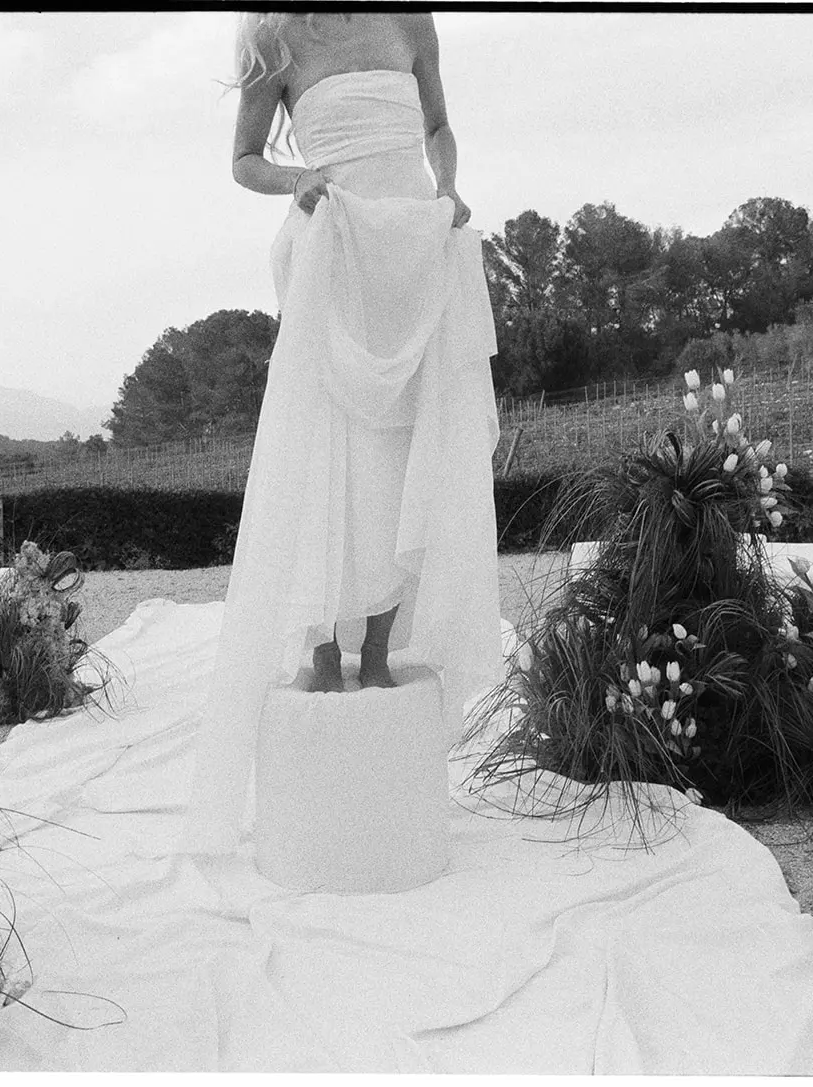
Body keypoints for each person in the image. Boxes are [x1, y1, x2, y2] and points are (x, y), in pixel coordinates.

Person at [174, 11, 503, 854]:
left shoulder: (410, 18)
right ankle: (324, 649)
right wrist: (299, 181)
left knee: (400, 450)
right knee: (331, 449)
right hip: (335, 244)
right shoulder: (274, 37)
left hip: (411, 250)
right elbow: (243, 159)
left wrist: (449, 185)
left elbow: (438, 123)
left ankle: (382, 644)